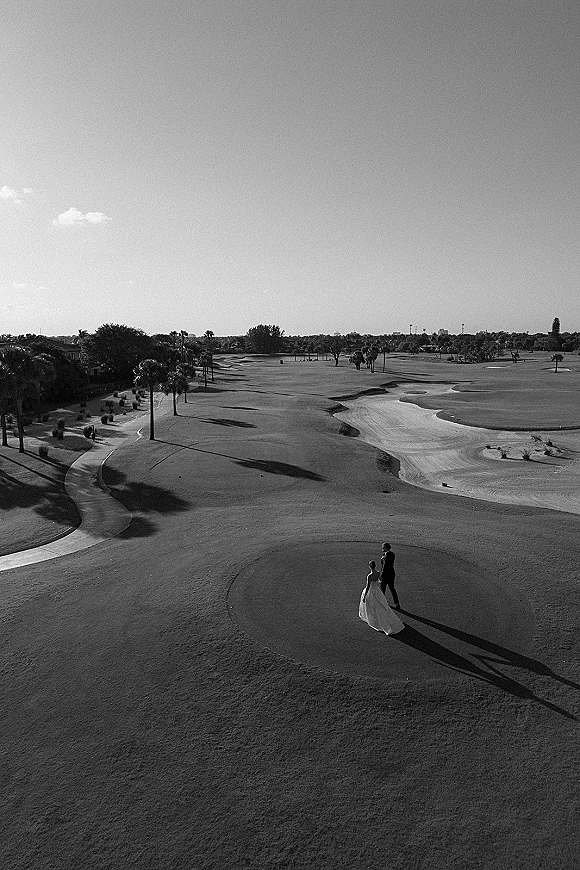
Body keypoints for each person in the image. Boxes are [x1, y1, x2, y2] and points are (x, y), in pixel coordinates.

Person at [359, 560, 404, 636]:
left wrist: (364, 596)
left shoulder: (369, 576)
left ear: (370, 566)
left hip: (371, 590)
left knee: (371, 605)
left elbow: (367, 587)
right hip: (376, 590)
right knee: (379, 604)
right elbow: (380, 580)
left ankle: (373, 619)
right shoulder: (378, 573)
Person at [380, 542, 400, 610]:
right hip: (391, 573)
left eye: (383, 547)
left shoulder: (385, 556)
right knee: (392, 588)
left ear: (386, 548)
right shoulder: (392, 554)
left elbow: (384, 566)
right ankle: (397, 603)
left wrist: (381, 575)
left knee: (383, 589)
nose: (382, 548)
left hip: (386, 575)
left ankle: (382, 602)